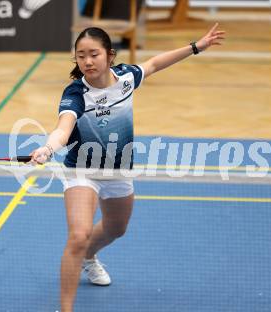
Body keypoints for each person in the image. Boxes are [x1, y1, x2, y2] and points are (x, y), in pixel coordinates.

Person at [29, 24, 225, 312]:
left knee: (115, 229)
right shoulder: (75, 93)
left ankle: (89, 258)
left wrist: (197, 46)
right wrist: (47, 148)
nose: (87, 61)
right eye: (80, 56)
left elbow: (155, 63)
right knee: (79, 235)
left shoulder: (126, 78)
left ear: (109, 56)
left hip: (119, 171)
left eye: (93, 54)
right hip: (81, 171)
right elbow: (63, 128)